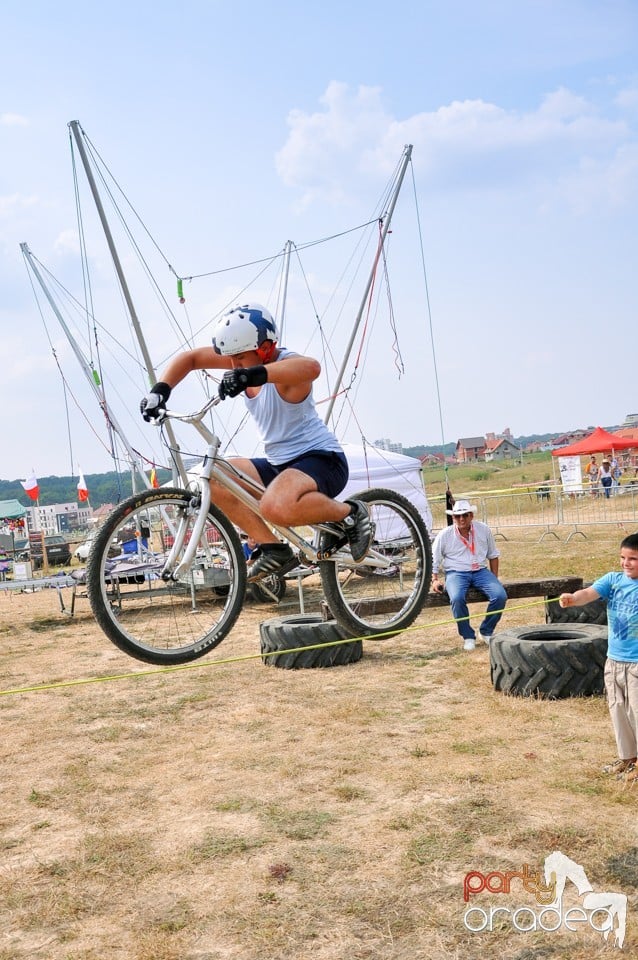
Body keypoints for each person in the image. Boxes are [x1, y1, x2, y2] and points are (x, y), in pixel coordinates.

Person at [140, 303, 372, 581]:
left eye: (239, 358)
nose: (233, 365)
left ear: (263, 349)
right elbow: (190, 359)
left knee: (274, 507)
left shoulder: (286, 371)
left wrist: (252, 375)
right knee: (216, 478)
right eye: (231, 359)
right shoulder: (242, 361)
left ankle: (351, 513)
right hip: (279, 465)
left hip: (321, 459)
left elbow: (311, 368)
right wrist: (159, 391)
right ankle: (273, 548)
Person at [559, 533, 638, 783]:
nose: (626, 563)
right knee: (618, 711)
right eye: (623, 557)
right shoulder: (613, 581)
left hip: (637, 663)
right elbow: (588, 594)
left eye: (633, 559)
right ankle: (627, 758)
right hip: (614, 660)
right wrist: (572, 599)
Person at [431, 499, 507, 651]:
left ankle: (486, 631)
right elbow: (434, 558)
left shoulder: (483, 529)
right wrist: (434, 579)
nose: (461, 519)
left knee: (500, 595)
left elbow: (493, 555)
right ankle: (467, 636)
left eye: (465, 515)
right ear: (453, 518)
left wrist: (494, 578)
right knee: (457, 598)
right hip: (456, 572)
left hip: (480, 570)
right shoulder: (445, 535)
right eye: (457, 516)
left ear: (471, 515)